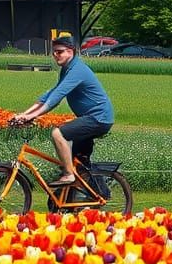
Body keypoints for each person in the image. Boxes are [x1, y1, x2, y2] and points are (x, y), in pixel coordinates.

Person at [11, 35, 113, 186]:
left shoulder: (77, 70)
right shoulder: (67, 69)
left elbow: (56, 98)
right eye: (53, 52)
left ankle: (69, 175)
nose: (55, 55)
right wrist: (25, 114)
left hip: (98, 119)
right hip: (91, 118)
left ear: (71, 51)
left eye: (59, 52)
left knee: (57, 133)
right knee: (78, 164)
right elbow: (50, 94)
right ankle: (81, 196)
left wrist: (31, 116)